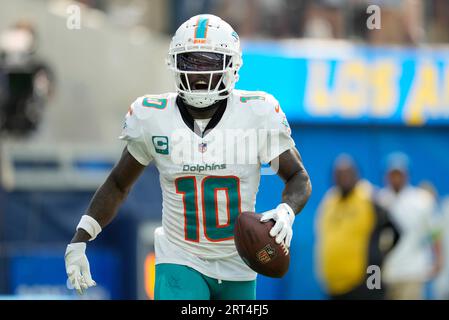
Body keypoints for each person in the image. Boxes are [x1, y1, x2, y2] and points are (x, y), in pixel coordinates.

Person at [64, 14, 312, 300]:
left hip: (239, 261)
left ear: (231, 67)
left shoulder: (257, 113)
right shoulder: (152, 116)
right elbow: (119, 183)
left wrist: (286, 211)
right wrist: (81, 238)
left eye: (209, 63)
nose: (199, 73)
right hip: (180, 257)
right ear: (175, 64)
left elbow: (298, 177)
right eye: (191, 62)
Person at [316, 154, 399, 300]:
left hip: (366, 282)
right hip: (334, 285)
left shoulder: (370, 197)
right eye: (339, 175)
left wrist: (380, 255)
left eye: (348, 174)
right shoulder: (329, 201)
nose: (343, 178)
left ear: (357, 174)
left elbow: (396, 231)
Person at [377, 152, 442, 300]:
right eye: (392, 174)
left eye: (399, 174)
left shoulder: (422, 200)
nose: (396, 178)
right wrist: (371, 273)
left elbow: (435, 232)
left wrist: (438, 261)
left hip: (412, 272)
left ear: (407, 175)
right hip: (383, 274)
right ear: (386, 176)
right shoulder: (379, 200)